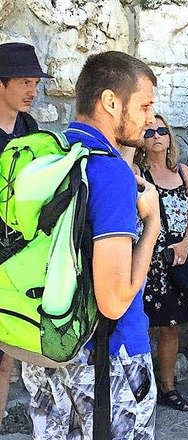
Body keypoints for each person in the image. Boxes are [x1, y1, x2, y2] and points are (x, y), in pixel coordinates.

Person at [21, 51, 160, 438]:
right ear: (111, 102)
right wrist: (152, 223)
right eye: (145, 105)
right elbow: (114, 300)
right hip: (109, 356)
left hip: (47, 346)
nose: (151, 119)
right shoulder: (111, 173)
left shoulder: (50, 155)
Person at [133, 114, 188, 411]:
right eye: (150, 131)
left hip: (178, 257)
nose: (157, 136)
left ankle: (168, 387)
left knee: (171, 326)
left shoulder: (183, 171)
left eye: (162, 130)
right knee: (140, 324)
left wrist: (186, 243)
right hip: (147, 256)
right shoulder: (137, 171)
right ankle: (137, 389)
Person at [0, 41, 53, 427]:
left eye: (35, 82)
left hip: (17, 253)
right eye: (23, 82)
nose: (32, 91)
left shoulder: (30, 128)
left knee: (7, 349)